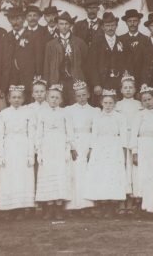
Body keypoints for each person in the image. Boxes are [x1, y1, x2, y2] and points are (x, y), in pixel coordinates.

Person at [84, 89, 128, 218]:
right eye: (106, 103)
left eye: (110, 103)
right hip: (100, 147)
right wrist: (91, 149)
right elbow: (94, 134)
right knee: (102, 174)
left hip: (114, 147)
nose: (108, 106)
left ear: (115, 104)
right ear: (101, 103)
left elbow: (123, 135)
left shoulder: (120, 117)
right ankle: (103, 204)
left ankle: (112, 206)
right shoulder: (97, 117)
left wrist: (123, 150)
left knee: (113, 174)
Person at [0, 84, 36, 217]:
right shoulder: (2, 115)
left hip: (23, 147)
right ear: (8, 99)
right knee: (9, 177)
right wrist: (1, 155)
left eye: (19, 97)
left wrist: (30, 155)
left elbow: (32, 135)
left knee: (22, 177)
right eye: (13, 97)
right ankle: (9, 208)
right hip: (9, 148)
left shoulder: (29, 114)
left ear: (23, 99)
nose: (16, 100)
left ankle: (21, 208)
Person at [34, 84, 74, 219]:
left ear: (61, 100)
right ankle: (49, 207)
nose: (54, 100)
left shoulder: (65, 113)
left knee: (59, 175)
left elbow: (69, 133)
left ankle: (58, 207)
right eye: (52, 97)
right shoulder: (41, 114)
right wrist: (39, 152)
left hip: (60, 148)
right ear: (47, 98)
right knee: (48, 175)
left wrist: (68, 149)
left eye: (57, 98)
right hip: (47, 148)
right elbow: (39, 134)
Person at [0, 7, 42, 109]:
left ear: (24, 19)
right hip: (9, 82)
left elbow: (38, 60)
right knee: (12, 111)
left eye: (18, 18)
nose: (15, 22)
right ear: (9, 20)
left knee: (28, 110)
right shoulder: (5, 38)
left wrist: (37, 81)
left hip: (27, 82)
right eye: (12, 19)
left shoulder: (33, 36)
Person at [64, 80, 99, 214]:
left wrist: (92, 147)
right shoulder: (69, 110)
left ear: (88, 95)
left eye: (84, 95)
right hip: (75, 142)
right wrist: (72, 147)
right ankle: (74, 204)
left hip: (88, 142)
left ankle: (87, 204)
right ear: (75, 96)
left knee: (87, 172)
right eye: (78, 96)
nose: (81, 98)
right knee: (75, 172)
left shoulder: (95, 111)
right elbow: (68, 129)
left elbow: (95, 130)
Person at [130, 85, 153, 215]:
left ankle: (152, 206)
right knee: (142, 174)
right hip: (142, 145)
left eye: (149, 99)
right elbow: (134, 133)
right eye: (144, 100)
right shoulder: (139, 115)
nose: (147, 102)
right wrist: (134, 152)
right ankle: (141, 204)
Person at [44, 12, 89, 97]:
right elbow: (47, 66)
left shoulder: (79, 42)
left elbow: (86, 64)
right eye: (61, 24)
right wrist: (47, 84)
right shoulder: (51, 45)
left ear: (71, 25)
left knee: (74, 102)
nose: (64, 26)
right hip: (57, 81)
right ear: (57, 25)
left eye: (66, 24)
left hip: (75, 81)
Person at [88, 11, 128, 105]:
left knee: (118, 106)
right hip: (102, 83)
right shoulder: (96, 43)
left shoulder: (123, 42)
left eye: (113, 25)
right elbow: (92, 65)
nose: (110, 28)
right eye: (107, 25)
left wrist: (125, 81)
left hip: (118, 83)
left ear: (116, 26)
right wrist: (96, 84)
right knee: (103, 106)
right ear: (103, 27)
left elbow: (127, 62)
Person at [116, 75, 142, 214]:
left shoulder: (139, 105)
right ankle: (121, 201)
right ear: (121, 90)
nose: (128, 90)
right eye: (125, 87)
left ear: (135, 89)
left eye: (130, 87)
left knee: (133, 168)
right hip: (121, 137)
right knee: (122, 167)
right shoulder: (117, 105)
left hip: (134, 137)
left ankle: (132, 201)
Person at [119, 9, 151, 87]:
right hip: (125, 79)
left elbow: (147, 62)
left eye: (135, 21)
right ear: (126, 23)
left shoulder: (146, 39)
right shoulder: (120, 39)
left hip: (142, 79)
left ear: (139, 22)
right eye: (129, 21)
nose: (132, 24)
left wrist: (144, 81)